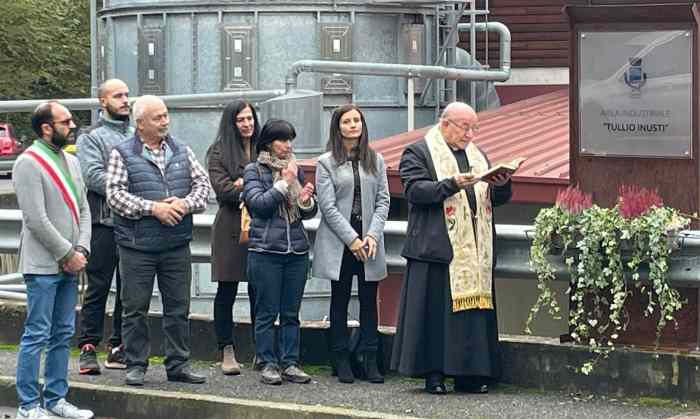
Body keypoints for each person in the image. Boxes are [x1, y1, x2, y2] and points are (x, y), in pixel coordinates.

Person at [390, 102, 513, 395]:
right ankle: (434, 374)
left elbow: (493, 199)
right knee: (435, 315)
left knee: (469, 317)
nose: (471, 134)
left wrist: (502, 183)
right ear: (446, 124)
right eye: (465, 127)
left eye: (474, 128)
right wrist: (451, 184)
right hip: (436, 249)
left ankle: (469, 373)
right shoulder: (418, 152)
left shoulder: (477, 154)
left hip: (474, 247)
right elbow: (415, 192)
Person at [106, 95, 211, 386]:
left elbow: (203, 186)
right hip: (137, 247)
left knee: (178, 308)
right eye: (158, 117)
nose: (165, 121)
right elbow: (115, 196)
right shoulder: (122, 153)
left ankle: (178, 365)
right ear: (140, 124)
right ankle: (135, 364)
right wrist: (155, 208)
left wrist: (184, 204)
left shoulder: (181, 149)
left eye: (165, 115)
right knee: (135, 309)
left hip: (176, 244)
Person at [13, 101, 94, 419]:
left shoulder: (71, 162)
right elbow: (35, 218)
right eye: (66, 121)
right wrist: (66, 253)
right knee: (37, 333)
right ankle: (28, 405)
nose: (72, 125)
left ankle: (56, 399)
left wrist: (82, 249)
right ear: (47, 127)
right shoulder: (28, 163)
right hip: (43, 265)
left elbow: (84, 209)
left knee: (62, 332)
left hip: (71, 261)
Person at [312, 105, 390, 384]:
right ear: (338, 127)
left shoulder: (375, 160)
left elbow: (384, 200)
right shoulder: (326, 163)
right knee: (340, 299)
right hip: (340, 240)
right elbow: (328, 207)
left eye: (357, 120)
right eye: (347, 121)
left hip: (369, 238)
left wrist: (370, 236)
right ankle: (341, 358)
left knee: (369, 300)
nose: (353, 125)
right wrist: (352, 240)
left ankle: (370, 358)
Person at [242, 119, 317, 385]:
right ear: (268, 143)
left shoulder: (295, 169)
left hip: (296, 249)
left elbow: (306, 213)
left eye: (290, 140)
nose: (287, 145)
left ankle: (290, 362)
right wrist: (283, 184)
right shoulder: (254, 170)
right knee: (266, 311)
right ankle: (267, 362)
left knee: (290, 312)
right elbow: (258, 206)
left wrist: (306, 200)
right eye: (282, 140)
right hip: (265, 251)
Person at [76, 79, 133, 374]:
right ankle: (88, 348)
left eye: (126, 94)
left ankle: (119, 348)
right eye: (118, 95)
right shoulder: (91, 138)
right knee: (98, 287)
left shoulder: (138, 135)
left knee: (130, 290)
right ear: (102, 102)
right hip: (104, 224)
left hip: (135, 225)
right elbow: (93, 177)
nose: (125, 100)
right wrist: (132, 187)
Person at [206, 101, 260, 375]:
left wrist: (243, 184)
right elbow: (223, 190)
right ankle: (226, 348)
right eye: (241, 119)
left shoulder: (264, 146)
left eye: (250, 118)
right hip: (230, 225)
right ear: (232, 122)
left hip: (261, 226)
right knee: (226, 289)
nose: (247, 124)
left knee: (259, 290)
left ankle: (260, 350)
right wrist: (253, 187)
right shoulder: (217, 151)